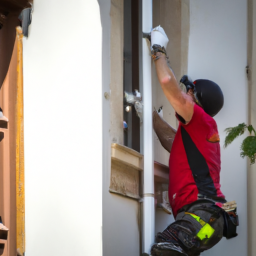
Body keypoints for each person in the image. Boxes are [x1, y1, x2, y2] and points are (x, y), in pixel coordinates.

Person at [149, 26, 238, 256]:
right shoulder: (197, 132)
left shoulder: (200, 119)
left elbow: (168, 80)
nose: (184, 94)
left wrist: (158, 50)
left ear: (198, 100)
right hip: (208, 223)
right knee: (168, 249)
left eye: (189, 91)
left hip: (203, 219)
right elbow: (172, 141)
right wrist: (150, 117)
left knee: (165, 247)